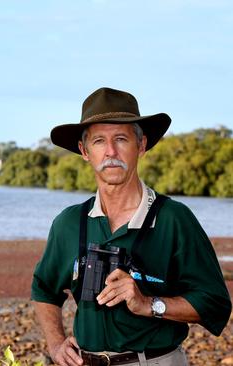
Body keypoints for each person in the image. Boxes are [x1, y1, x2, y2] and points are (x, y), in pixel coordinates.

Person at [31, 87, 231, 366]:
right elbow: (44, 289)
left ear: (141, 145)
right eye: (99, 140)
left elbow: (214, 302)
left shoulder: (174, 219)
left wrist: (148, 304)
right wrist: (55, 344)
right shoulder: (68, 223)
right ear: (84, 150)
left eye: (121, 139)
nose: (111, 151)